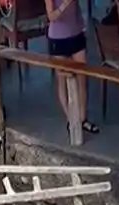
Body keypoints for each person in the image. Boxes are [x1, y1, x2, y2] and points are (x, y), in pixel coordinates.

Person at [43, 0, 100, 134]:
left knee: (82, 78)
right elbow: (51, 16)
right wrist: (64, 4)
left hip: (77, 34)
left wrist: (82, 25)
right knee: (62, 79)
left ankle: (82, 118)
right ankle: (71, 119)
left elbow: (77, 9)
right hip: (58, 39)